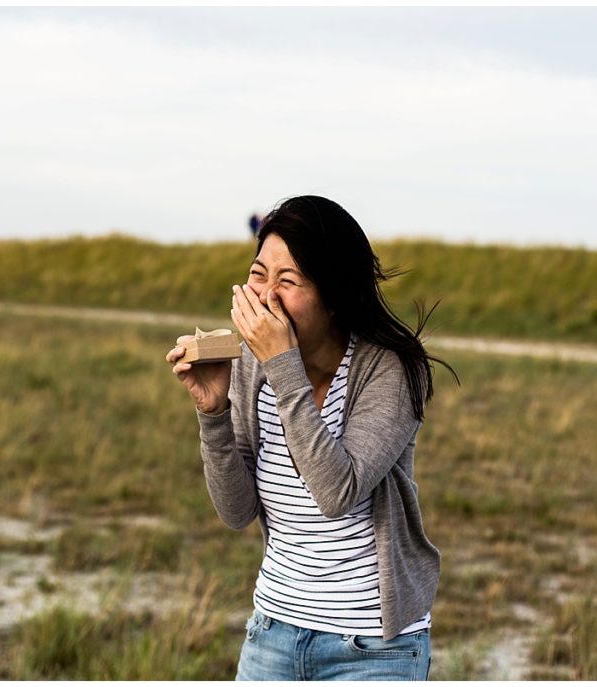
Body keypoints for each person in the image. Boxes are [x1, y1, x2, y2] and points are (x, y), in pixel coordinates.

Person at [166, 195, 458, 681]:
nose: (266, 296)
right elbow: (236, 513)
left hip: (372, 648)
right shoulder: (252, 365)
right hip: (273, 631)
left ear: (335, 294)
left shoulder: (389, 371)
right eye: (259, 274)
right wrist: (213, 411)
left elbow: (336, 492)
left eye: (289, 281)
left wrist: (282, 366)